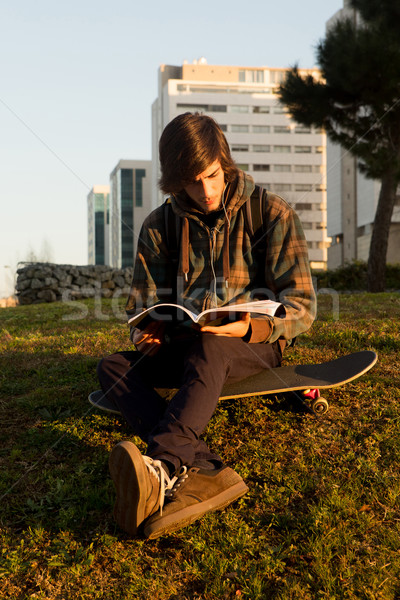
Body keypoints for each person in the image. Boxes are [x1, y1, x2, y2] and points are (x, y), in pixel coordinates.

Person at [97, 112, 316, 540]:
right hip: (186, 342)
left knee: (211, 347)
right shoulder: (158, 226)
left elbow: (303, 306)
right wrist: (145, 336)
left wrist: (250, 328)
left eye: (212, 176)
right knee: (112, 368)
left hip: (250, 345)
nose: (206, 190)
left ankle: (161, 467)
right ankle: (206, 468)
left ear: (224, 161)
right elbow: (141, 305)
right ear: (174, 181)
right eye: (192, 182)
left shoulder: (270, 213)